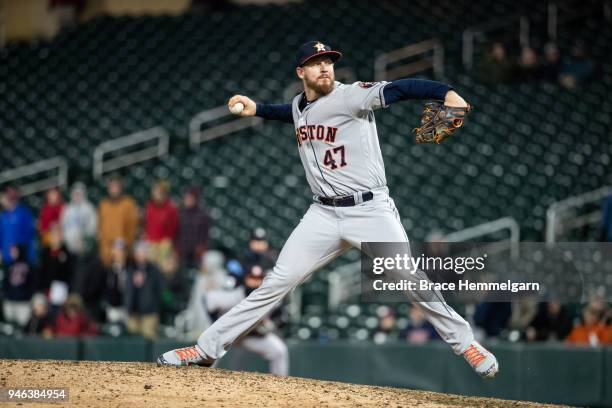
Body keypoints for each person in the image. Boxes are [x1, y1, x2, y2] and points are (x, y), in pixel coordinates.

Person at [158, 40, 499, 378]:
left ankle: (466, 343)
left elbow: (401, 88)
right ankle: (206, 349)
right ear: (300, 71)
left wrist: (445, 92)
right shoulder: (298, 105)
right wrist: (257, 109)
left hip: (369, 210)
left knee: (407, 276)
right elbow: (291, 112)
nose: (324, 67)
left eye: (328, 61)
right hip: (322, 214)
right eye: (315, 61)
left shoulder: (351, 95)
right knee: (277, 281)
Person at [205, 262, 289, 376]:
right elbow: (209, 300)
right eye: (251, 278)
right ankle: (202, 379)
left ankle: (280, 387)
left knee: (279, 350)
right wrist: (214, 324)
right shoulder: (234, 296)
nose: (254, 282)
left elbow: (281, 311)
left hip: (250, 337)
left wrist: (272, 324)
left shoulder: (269, 298)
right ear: (245, 278)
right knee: (210, 346)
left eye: (258, 278)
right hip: (227, 334)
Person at [97, 174, 139, 266]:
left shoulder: (129, 204)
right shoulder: (104, 205)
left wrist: (126, 244)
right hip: (106, 251)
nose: (114, 189)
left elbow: (133, 227)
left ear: (121, 188)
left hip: (123, 250)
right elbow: (100, 227)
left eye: (116, 186)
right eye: (112, 187)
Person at [124, 241, 164, 338]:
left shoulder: (154, 269)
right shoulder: (130, 268)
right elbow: (127, 289)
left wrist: (154, 305)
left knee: (149, 337)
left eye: (144, 252)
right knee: (133, 338)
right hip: (133, 311)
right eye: (139, 252)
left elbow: (160, 288)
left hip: (150, 312)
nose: (142, 255)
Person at [144, 180, 179, 270]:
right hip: (151, 242)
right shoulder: (149, 206)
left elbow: (174, 226)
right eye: (155, 192)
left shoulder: (171, 208)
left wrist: (168, 240)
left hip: (165, 243)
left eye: (160, 192)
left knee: (164, 269)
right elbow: (147, 224)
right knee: (151, 269)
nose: (157, 194)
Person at [1, 244, 36, 327]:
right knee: (9, 327)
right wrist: (6, 295)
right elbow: (5, 282)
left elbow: (32, 283)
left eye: (14, 250)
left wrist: (28, 296)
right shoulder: (9, 265)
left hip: (23, 303)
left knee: (21, 328)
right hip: (10, 301)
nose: (12, 253)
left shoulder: (30, 266)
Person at [0, 187, 37, 266]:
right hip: (7, 258)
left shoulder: (23, 212)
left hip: (23, 257)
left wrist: (18, 247)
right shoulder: (3, 216)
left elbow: (28, 232)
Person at [60, 182, 98, 259]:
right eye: (75, 194)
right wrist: (68, 241)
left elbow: (93, 226)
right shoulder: (67, 209)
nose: (77, 196)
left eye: (79, 194)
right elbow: (63, 225)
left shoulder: (89, 208)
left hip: (86, 247)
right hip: (70, 248)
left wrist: (85, 238)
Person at [176, 187, 210, 270]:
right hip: (182, 250)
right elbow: (176, 232)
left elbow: (205, 234)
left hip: (197, 252)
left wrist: (202, 247)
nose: (188, 200)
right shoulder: (180, 213)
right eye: (186, 198)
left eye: (190, 198)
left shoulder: (202, 215)